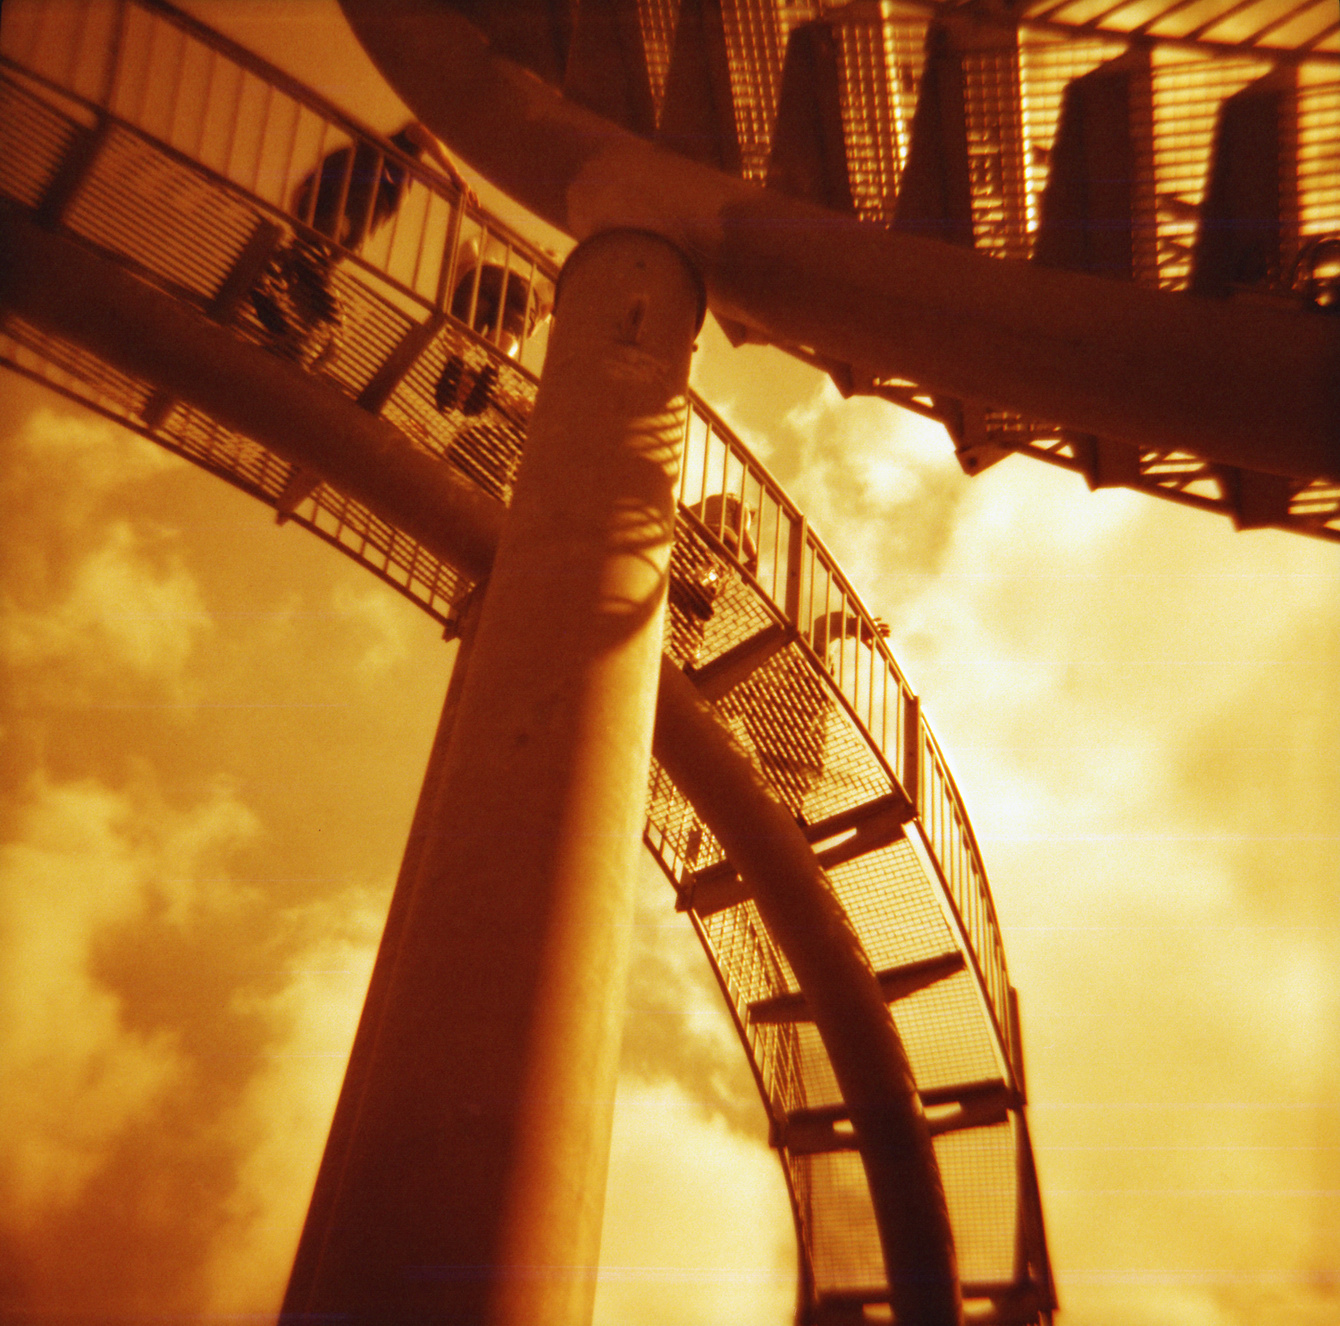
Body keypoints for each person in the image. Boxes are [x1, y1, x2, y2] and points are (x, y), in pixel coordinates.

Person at [251, 121, 473, 363]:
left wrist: (300, 228)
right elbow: (421, 131)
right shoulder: (392, 155)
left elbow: (302, 190)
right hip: (344, 209)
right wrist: (457, 177)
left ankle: (301, 338)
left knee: (314, 278)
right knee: (320, 250)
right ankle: (276, 280)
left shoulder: (360, 163)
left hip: (331, 222)